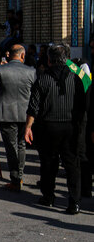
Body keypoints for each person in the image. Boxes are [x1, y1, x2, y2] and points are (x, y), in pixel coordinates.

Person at [25, 45, 85, 214]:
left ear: (49, 60)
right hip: (71, 126)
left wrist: (28, 127)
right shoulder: (78, 77)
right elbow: (87, 87)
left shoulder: (43, 78)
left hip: (48, 127)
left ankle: (48, 196)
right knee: (72, 165)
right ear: (66, 60)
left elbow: (33, 107)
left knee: (48, 163)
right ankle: (74, 202)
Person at [0, 44, 36, 191]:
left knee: (11, 146)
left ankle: (16, 178)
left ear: (9, 55)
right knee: (21, 145)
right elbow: (35, 95)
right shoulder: (31, 71)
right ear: (22, 55)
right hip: (25, 115)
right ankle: (19, 175)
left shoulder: (1, 70)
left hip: (7, 114)